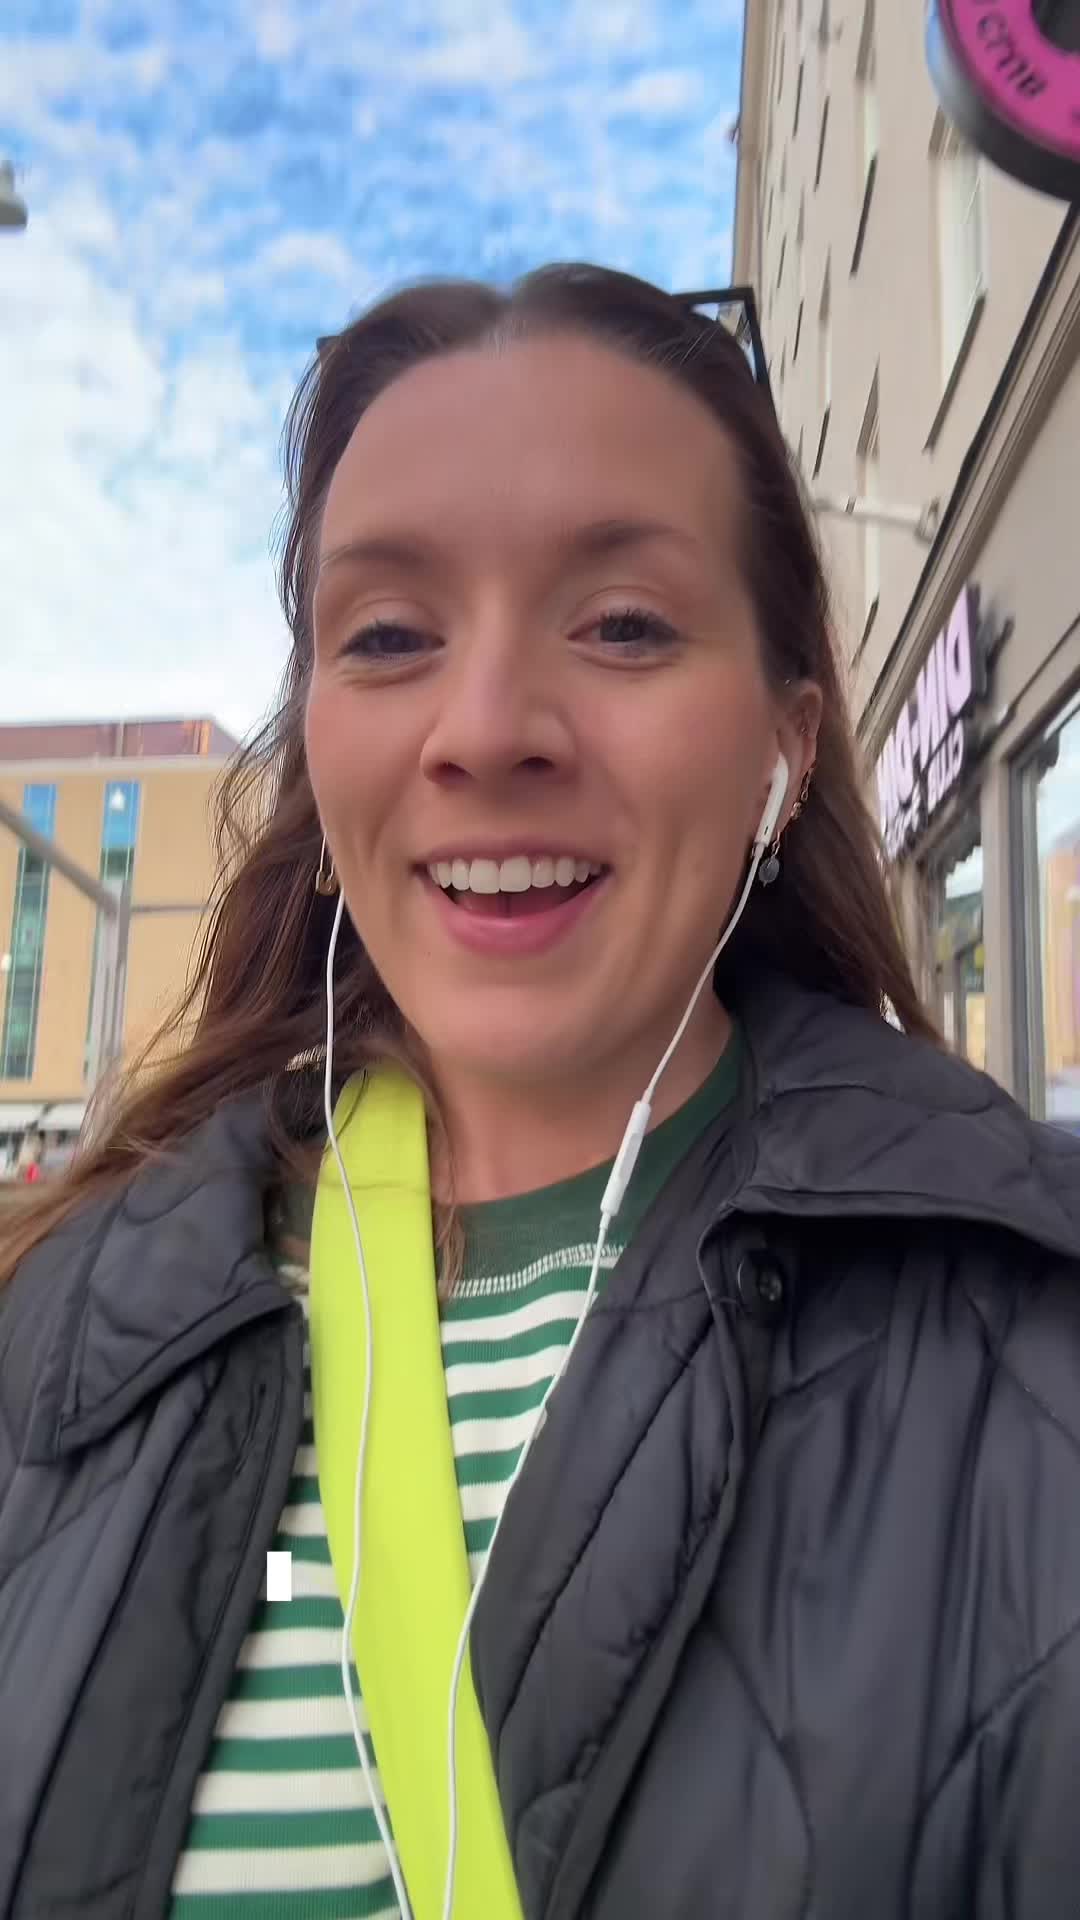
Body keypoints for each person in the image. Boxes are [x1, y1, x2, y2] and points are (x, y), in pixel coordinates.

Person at [3, 264, 1080, 1920]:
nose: (487, 727)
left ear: (786, 746)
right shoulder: (62, 1342)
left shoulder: (1031, 1346)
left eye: (624, 624)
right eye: (389, 636)